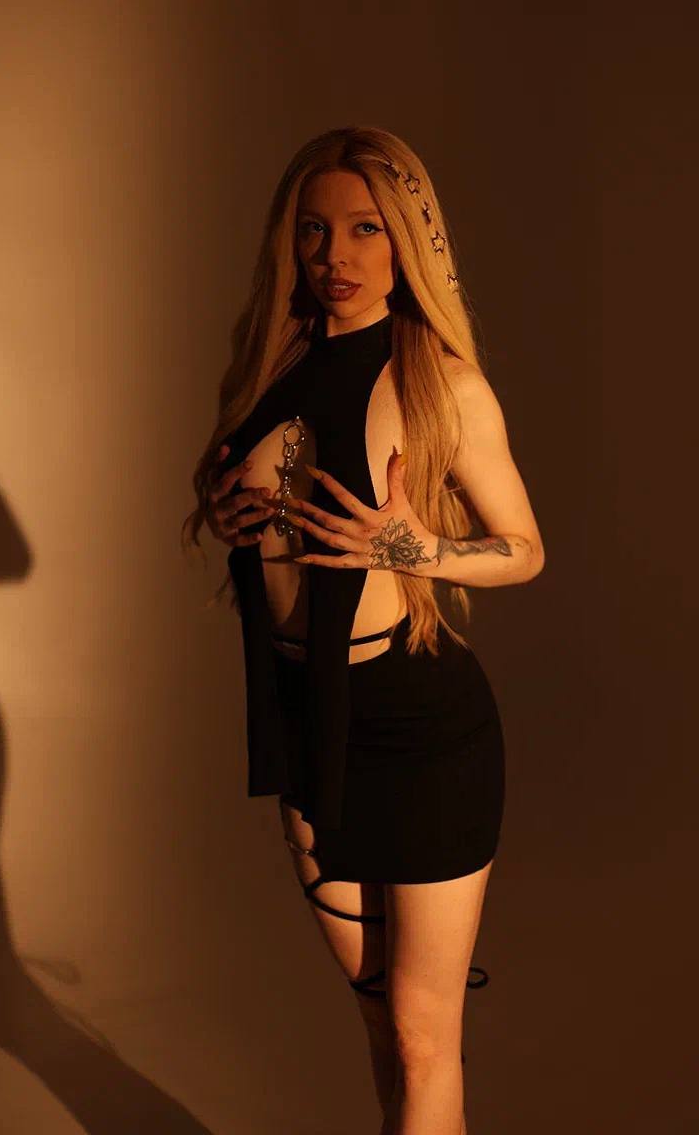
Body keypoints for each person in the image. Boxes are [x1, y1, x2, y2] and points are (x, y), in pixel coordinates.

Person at [182, 125, 544, 1135]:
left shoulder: (439, 380)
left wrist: (417, 549)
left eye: (363, 229)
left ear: (407, 241)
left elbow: (524, 549)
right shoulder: (274, 369)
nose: (333, 255)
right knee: (386, 1028)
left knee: (424, 1038)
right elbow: (257, 507)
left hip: (418, 727)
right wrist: (228, 514)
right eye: (313, 231)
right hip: (305, 715)